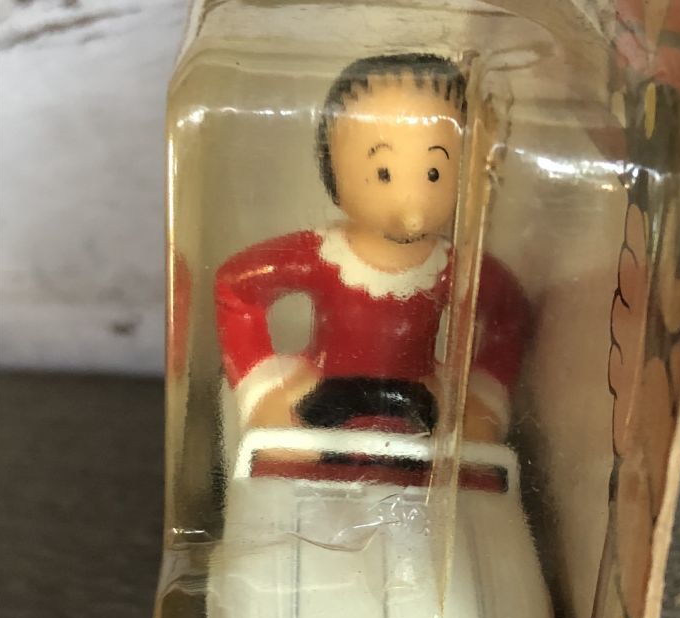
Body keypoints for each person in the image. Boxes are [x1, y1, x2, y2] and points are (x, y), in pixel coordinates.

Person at [215, 53, 530, 442]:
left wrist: (482, 401)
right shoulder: (323, 255)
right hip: (323, 392)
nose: (411, 204)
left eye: (433, 173)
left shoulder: (452, 268)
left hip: (420, 402)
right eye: (384, 173)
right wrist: (261, 389)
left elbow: (508, 316)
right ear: (333, 165)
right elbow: (236, 288)